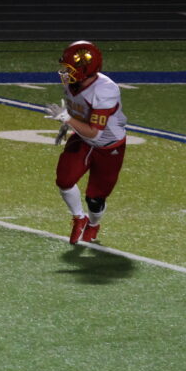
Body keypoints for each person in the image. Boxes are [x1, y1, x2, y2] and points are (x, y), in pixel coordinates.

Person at [43, 41, 128, 245]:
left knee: (95, 199)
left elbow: (95, 134)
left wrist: (67, 119)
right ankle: (79, 218)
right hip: (83, 137)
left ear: (84, 69)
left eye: (70, 68)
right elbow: (77, 107)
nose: (65, 72)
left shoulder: (105, 90)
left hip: (108, 145)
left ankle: (93, 224)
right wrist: (67, 123)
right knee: (64, 179)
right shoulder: (71, 82)